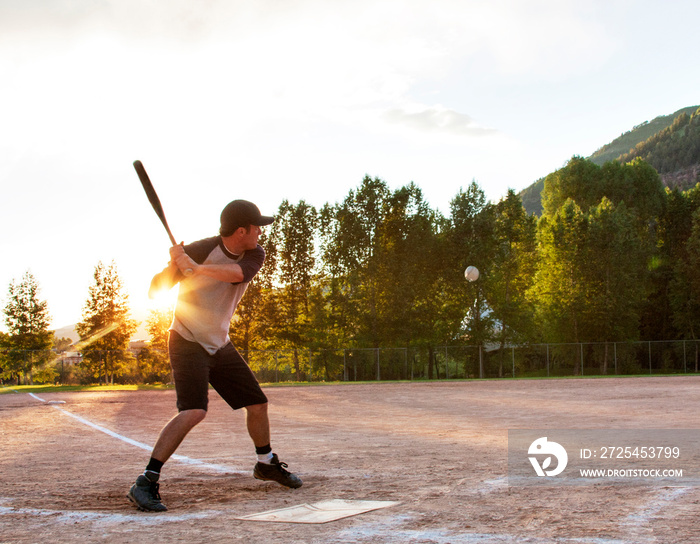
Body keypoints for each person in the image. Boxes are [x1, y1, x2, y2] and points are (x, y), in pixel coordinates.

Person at [127, 199, 302, 512]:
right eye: (256, 227)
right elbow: (155, 291)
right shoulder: (200, 249)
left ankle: (266, 463)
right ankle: (146, 480)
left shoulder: (254, 254)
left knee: (258, 403)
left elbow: (237, 274)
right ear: (240, 230)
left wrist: (197, 268)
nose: (260, 232)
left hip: (219, 342)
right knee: (194, 411)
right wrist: (174, 265)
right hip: (186, 339)